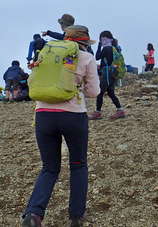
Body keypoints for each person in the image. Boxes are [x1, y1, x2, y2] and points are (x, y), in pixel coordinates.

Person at [21, 25, 100, 227]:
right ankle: (75, 216)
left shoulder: (47, 54)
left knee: (49, 168)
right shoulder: (86, 57)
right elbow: (93, 92)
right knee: (78, 165)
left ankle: (33, 214)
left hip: (43, 114)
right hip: (73, 115)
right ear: (84, 42)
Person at [89, 31, 125, 120]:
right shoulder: (114, 48)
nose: (102, 41)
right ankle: (120, 110)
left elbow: (97, 57)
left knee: (100, 92)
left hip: (107, 73)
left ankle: (97, 112)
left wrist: (99, 46)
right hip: (113, 73)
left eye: (102, 39)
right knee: (110, 93)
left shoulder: (106, 48)